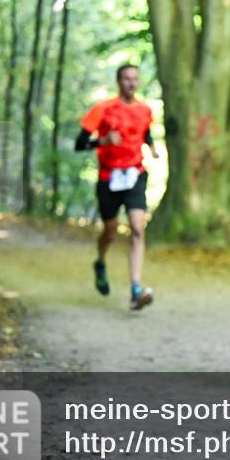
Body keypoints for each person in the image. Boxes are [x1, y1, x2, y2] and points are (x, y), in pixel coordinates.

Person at [75, 64, 159, 311]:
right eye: (126, 79)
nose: (131, 83)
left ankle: (136, 288)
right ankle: (100, 262)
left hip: (135, 174)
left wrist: (152, 147)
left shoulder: (145, 109)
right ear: (118, 81)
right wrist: (102, 140)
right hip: (109, 177)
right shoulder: (103, 109)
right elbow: (80, 144)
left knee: (136, 229)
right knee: (110, 232)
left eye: (135, 79)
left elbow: (145, 133)